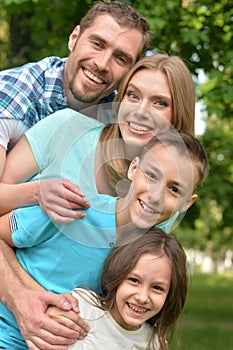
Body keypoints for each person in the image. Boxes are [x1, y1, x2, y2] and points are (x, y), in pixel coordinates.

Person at [0, 52, 196, 348]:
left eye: (160, 103)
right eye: (132, 95)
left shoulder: (161, 209)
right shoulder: (69, 142)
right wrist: (24, 297)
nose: (142, 112)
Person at [0, 0, 151, 176]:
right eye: (97, 44)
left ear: (131, 71)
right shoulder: (13, 93)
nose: (102, 64)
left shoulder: (121, 120)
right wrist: (37, 193)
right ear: (74, 39)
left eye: (120, 58)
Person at [47, 228, 188, 350]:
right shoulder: (81, 307)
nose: (142, 297)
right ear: (117, 275)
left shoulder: (153, 343)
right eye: (134, 280)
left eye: (157, 288)